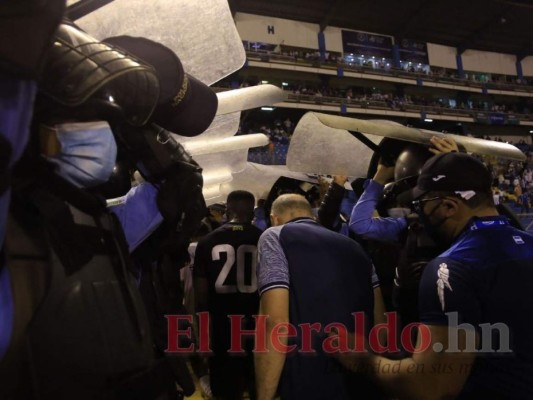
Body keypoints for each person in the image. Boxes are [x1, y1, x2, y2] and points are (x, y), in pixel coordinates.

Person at [334, 152, 533, 399]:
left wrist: (362, 358)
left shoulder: (450, 267)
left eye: (421, 205)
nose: (418, 213)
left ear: (448, 207)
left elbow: (429, 386)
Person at [255, 194, 379, 400]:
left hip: (306, 379)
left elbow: (274, 322)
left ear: (273, 217)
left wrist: (264, 396)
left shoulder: (274, 237)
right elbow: (380, 320)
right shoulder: (355, 248)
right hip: (358, 380)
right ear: (311, 215)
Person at [194, 190, 263, 400]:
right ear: (252, 212)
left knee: (225, 387)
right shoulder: (263, 239)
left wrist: (203, 334)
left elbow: (201, 295)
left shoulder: (206, 242)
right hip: (257, 321)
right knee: (257, 380)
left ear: (227, 210)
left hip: (221, 324)